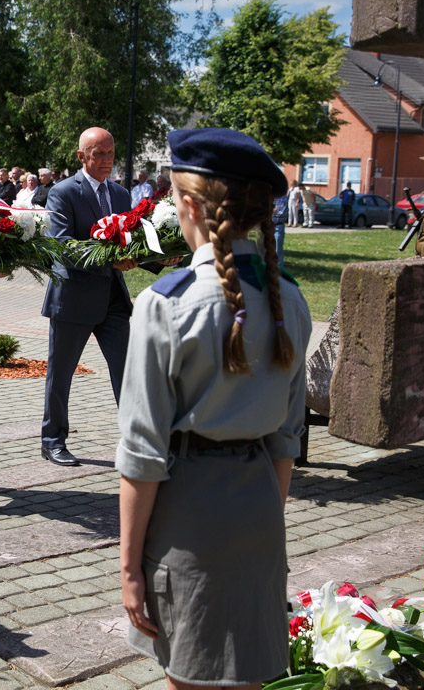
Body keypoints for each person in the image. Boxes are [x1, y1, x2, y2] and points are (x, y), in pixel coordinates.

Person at [117, 128, 311, 689]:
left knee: (190, 677)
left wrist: (130, 569)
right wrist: (264, 523)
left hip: (187, 515)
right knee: (249, 675)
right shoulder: (290, 300)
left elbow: (141, 451)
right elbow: (286, 438)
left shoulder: (165, 303)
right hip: (257, 510)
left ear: (190, 204)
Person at [40, 127, 162, 466]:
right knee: (61, 374)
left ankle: (138, 441)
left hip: (113, 300)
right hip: (73, 298)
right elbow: (62, 246)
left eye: (110, 153)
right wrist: (111, 259)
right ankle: (52, 441)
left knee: (128, 371)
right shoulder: (63, 192)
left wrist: (159, 258)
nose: (107, 160)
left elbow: (130, 242)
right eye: (99, 154)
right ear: (81, 156)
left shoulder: (122, 195)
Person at [272, 185, 288, 270]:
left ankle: (279, 268)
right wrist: (273, 210)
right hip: (266, 225)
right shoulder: (267, 196)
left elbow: (281, 212)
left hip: (278, 226)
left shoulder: (283, 197)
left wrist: (270, 211)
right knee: (262, 247)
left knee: (278, 248)